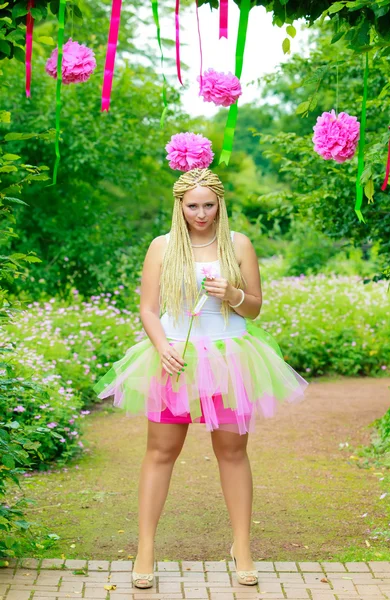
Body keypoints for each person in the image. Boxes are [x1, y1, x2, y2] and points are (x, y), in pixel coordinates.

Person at [93, 167, 309, 590]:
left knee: (232, 451)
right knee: (161, 451)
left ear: (220, 203)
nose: (201, 213)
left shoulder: (238, 244)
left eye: (209, 205)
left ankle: (242, 547)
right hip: (176, 358)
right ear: (180, 205)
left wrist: (233, 295)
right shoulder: (163, 247)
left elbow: (255, 309)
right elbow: (148, 309)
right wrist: (162, 347)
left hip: (230, 359)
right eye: (193, 205)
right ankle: (146, 548)